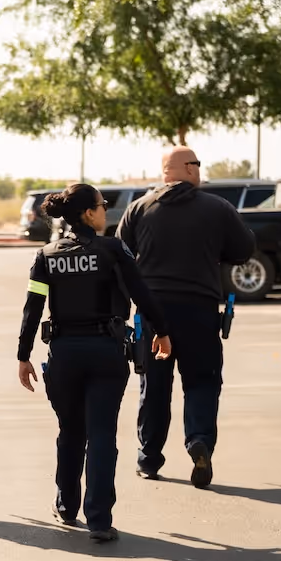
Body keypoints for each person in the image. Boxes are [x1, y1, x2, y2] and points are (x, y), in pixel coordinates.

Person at [17, 183, 172, 542]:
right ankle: (99, 520)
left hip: (65, 354)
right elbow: (141, 293)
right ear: (89, 213)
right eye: (102, 206)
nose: (105, 211)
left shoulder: (47, 255)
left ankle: (66, 506)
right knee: (102, 434)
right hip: (106, 351)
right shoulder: (114, 250)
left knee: (70, 431)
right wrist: (161, 331)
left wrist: (23, 355)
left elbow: (33, 308)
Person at [116, 147, 256, 488]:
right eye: (196, 163)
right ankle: (199, 442)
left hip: (152, 313)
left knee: (154, 386)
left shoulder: (139, 208)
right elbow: (243, 250)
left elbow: (121, 257)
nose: (199, 169)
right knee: (202, 382)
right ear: (185, 169)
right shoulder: (217, 208)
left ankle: (149, 458)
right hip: (199, 310)